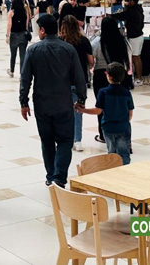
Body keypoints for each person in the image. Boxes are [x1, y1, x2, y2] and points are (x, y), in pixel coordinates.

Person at [19, 14, 86, 188]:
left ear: (42, 30)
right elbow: (79, 77)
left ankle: (51, 176)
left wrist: (23, 102)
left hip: (42, 104)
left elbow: (25, 78)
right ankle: (59, 177)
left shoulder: (33, 51)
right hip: (63, 102)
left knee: (47, 141)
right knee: (65, 140)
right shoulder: (68, 49)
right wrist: (81, 98)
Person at [76, 62, 134, 164]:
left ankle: (112, 171)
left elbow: (98, 111)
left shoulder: (103, 92)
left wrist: (83, 110)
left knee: (112, 152)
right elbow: (130, 113)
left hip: (108, 127)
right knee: (124, 153)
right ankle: (125, 171)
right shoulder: (126, 93)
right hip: (123, 127)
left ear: (108, 76)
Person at [92, 17, 132, 143]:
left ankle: (103, 135)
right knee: (121, 106)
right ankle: (123, 134)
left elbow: (91, 60)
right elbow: (129, 58)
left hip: (101, 75)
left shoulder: (97, 42)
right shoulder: (122, 41)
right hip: (120, 74)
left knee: (101, 105)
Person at [59, 15, 93, 152]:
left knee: (62, 111)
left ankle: (64, 138)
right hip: (80, 80)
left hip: (62, 81)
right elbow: (91, 61)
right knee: (78, 110)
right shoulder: (84, 41)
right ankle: (77, 140)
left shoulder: (60, 41)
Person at [110, 0, 145, 85]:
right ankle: (138, 77)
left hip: (135, 37)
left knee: (135, 57)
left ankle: (139, 78)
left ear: (132, 1)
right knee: (136, 57)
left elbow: (122, 16)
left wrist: (110, 16)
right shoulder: (138, 10)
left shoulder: (132, 11)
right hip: (138, 35)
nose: (125, 3)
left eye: (127, 1)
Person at [6, 0, 30, 78]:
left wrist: (7, 35)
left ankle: (12, 71)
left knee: (13, 54)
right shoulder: (25, 12)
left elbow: (9, 24)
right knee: (23, 55)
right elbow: (27, 25)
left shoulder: (11, 12)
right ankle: (22, 72)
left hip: (14, 35)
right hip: (23, 34)